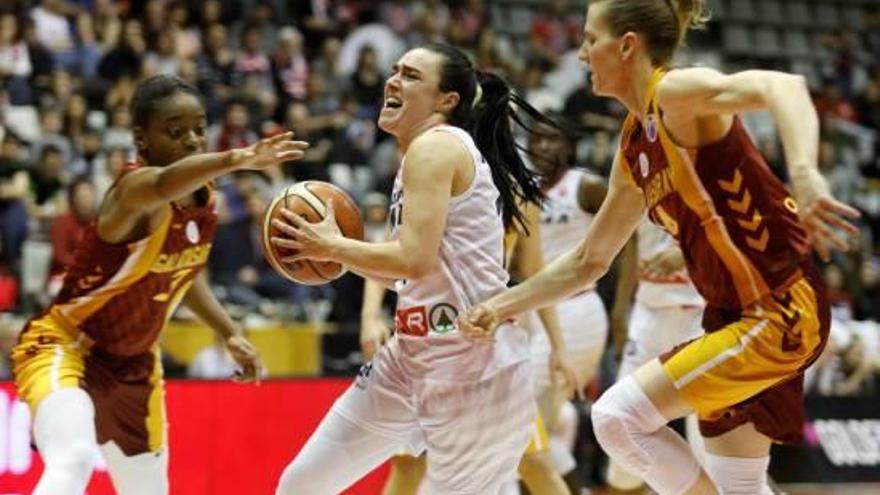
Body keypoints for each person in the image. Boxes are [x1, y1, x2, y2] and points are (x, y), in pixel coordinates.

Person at [459, 1, 861, 494]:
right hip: (733, 317)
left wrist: (805, 174)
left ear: (626, 45)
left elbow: (784, 86)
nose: (582, 53)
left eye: (590, 39)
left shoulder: (674, 93)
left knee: (615, 418)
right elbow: (589, 261)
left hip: (777, 311)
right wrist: (500, 305)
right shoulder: (633, 144)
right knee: (739, 486)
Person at [270, 43, 561, 494]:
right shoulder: (419, 155)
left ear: (446, 101)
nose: (392, 80)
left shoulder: (435, 148)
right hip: (409, 359)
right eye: (394, 70)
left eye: (410, 75)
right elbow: (413, 271)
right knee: (301, 485)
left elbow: (412, 259)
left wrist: (334, 246)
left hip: (472, 370)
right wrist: (335, 254)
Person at [11, 74, 307, 495]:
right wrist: (239, 158)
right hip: (68, 345)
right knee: (72, 460)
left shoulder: (204, 199)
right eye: (175, 131)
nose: (191, 140)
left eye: (199, 129)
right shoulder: (133, 189)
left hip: (135, 365)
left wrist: (230, 333)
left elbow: (185, 274)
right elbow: (163, 183)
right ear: (142, 139)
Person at [359, 200, 578, 495]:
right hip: (424, 341)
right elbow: (391, 249)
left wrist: (558, 345)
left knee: (536, 463)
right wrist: (370, 317)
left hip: (487, 344)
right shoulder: (429, 170)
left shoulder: (516, 188)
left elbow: (535, 272)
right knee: (409, 465)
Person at [607, 219, 706, 492]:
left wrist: (688, 251)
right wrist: (620, 305)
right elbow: (633, 243)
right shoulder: (637, 179)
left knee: (710, 442)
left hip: (701, 316)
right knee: (619, 424)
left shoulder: (718, 178)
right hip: (647, 313)